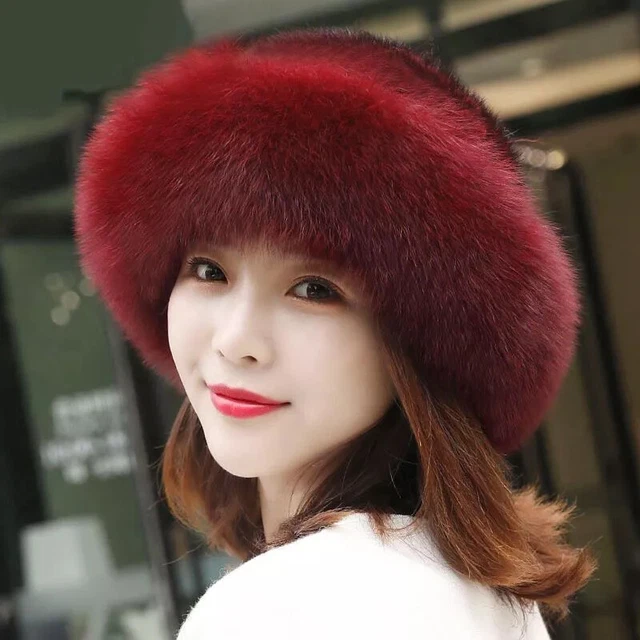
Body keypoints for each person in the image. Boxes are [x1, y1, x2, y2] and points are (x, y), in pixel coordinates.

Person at [74, 27, 597, 639]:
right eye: (209, 271)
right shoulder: (478, 589)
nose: (236, 340)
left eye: (314, 290)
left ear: (415, 344)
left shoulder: (278, 609)